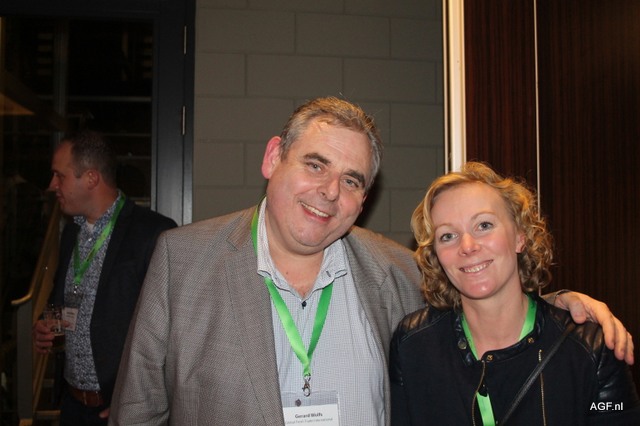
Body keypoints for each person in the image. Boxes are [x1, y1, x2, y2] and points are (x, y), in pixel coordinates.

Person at [109, 98, 633, 426]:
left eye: (351, 180)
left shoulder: (395, 271)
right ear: (273, 158)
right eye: (315, 165)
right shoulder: (183, 260)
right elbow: (137, 412)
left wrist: (561, 308)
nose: (329, 192)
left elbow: (482, 294)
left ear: (363, 199)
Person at [390, 162, 640, 425]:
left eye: (484, 225)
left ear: (520, 236)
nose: (467, 246)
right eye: (448, 236)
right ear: (436, 255)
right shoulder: (413, 345)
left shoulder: (590, 348)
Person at [32, 130, 177, 425]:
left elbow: (174, 328)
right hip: (72, 405)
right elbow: (65, 298)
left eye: (60, 176)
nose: (52, 185)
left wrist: (139, 401)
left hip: (121, 408)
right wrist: (45, 325)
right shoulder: (71, 232)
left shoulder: (153, 233)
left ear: (91, 178)